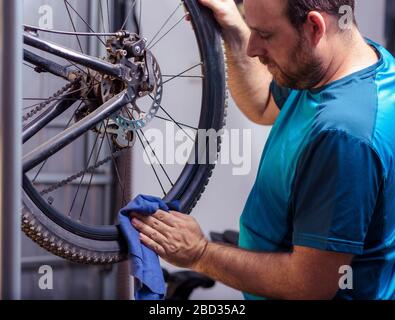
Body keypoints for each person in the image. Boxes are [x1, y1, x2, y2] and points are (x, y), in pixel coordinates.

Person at [131, 0, 395, 300]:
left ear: (314, 27)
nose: (252, 48)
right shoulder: (337, 63)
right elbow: (264, 105)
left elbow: (310, 284)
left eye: (265, 35)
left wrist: (199, 254)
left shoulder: (346, 134)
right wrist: (233, 29)